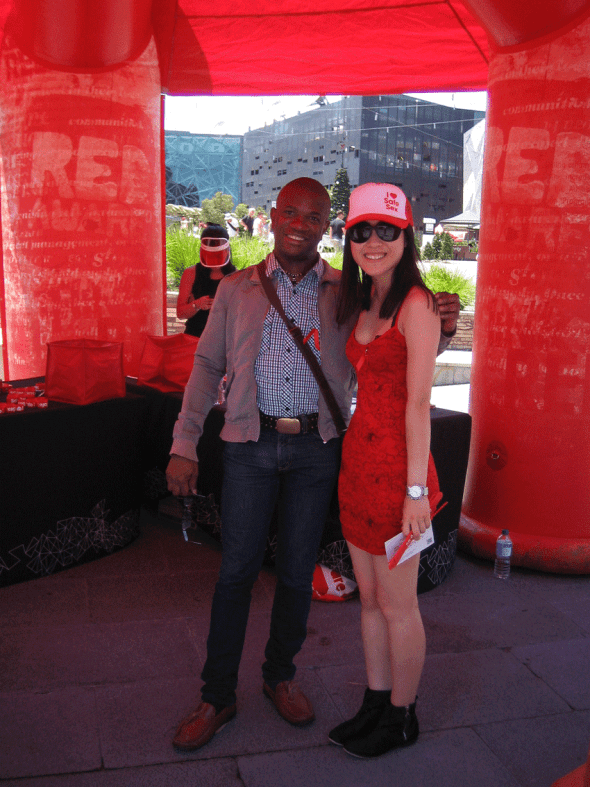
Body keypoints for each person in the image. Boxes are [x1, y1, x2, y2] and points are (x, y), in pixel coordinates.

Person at [165, 177, 460, 754]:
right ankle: (217, 693)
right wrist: (184, 442)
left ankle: (281, 676)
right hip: (250, 445)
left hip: (318, 451)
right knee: (235, 573)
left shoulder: (345, 292)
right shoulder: (238, 289)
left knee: (297, 573)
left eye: (314, 216)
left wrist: (444, 326)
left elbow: (397, 348)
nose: (300, 224)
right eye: (291, 212)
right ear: (272, 217)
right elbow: (205, 369)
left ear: (327, 228)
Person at [329, 182, 443, 759]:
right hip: (358, 469)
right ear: (349, 239)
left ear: (406, 235)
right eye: (361, 232)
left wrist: (416, 490)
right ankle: (376, 702)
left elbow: (418, 403)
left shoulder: (416, 304)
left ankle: (402, 715)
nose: (373, 242)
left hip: (402, 478)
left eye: (386, 231)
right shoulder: (365, 300)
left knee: (400, 605)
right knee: (369, 600)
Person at [176, 224, 236, 338]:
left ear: (227, 251)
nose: (214, 261)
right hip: (194, 338)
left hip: (223, 341)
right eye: (210, 256)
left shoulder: (235, 276)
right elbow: (180, 313)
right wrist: (196, 305)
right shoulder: (191, 273)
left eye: (218, 256)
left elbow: (241, 316)